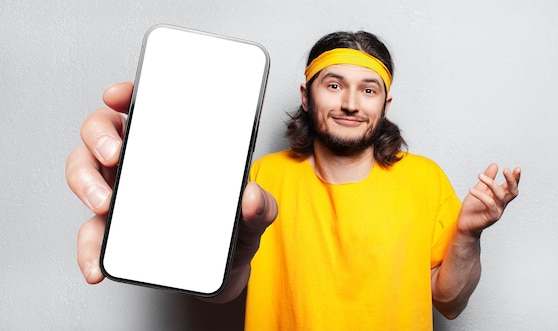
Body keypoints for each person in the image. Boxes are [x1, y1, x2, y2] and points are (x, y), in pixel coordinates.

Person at [66, 30, 521, 330]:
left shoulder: (424, 177)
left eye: (368, 89)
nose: (350, 103)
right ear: (306, 95)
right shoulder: (261, 179)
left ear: (384, 103)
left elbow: (451, 302)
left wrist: (468, 233)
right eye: (334, 84)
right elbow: (222, 290)